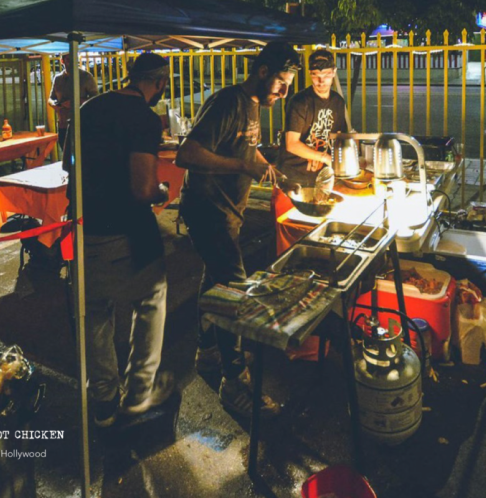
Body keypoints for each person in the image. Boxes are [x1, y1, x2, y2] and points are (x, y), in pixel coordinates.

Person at [175, 41, 301, 419]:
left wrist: (268, 168)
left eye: (289, 85)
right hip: (207, 209)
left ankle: (208, 351)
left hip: (227, 213)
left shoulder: (252, 106)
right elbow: (188, 154)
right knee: (233, 288)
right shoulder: (228, 102)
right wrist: (242, 168)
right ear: (262, 72)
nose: (284, 92)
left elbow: (246, 148)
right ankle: (236, 380)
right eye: (281, 82)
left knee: (214, 281)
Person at [65, 53, 174, 428]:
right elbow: (142, 188)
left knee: (96, 312)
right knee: (151, 300)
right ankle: (139, 392)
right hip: (128, 231)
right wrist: (162, 191)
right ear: (158, 83)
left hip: (86, 228)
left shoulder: (88, 108)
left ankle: (104, 400)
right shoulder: (145, 118)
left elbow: (71, 168)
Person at [273, 49, 349, 253]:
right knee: (288, 236)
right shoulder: (299, 102)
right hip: (291, 178)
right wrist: (323, 156)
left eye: (325, 75)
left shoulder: (338, 102)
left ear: (333, 72)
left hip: (319, 181)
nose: (320, 81)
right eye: (315, 75)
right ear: (310, 74)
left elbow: (338, 136)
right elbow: (292, 143)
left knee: (317, 240)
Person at [49, 53, 98, 149]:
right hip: (63, 123)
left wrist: (77, 101)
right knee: (65, 151)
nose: (71, 62)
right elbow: (51, 98)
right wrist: (55, 104)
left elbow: (95, 99)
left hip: (81, 123)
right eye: (68, 59)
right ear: (62, 61)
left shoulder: (86, 77)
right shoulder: (58, 79)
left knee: (82, 154)